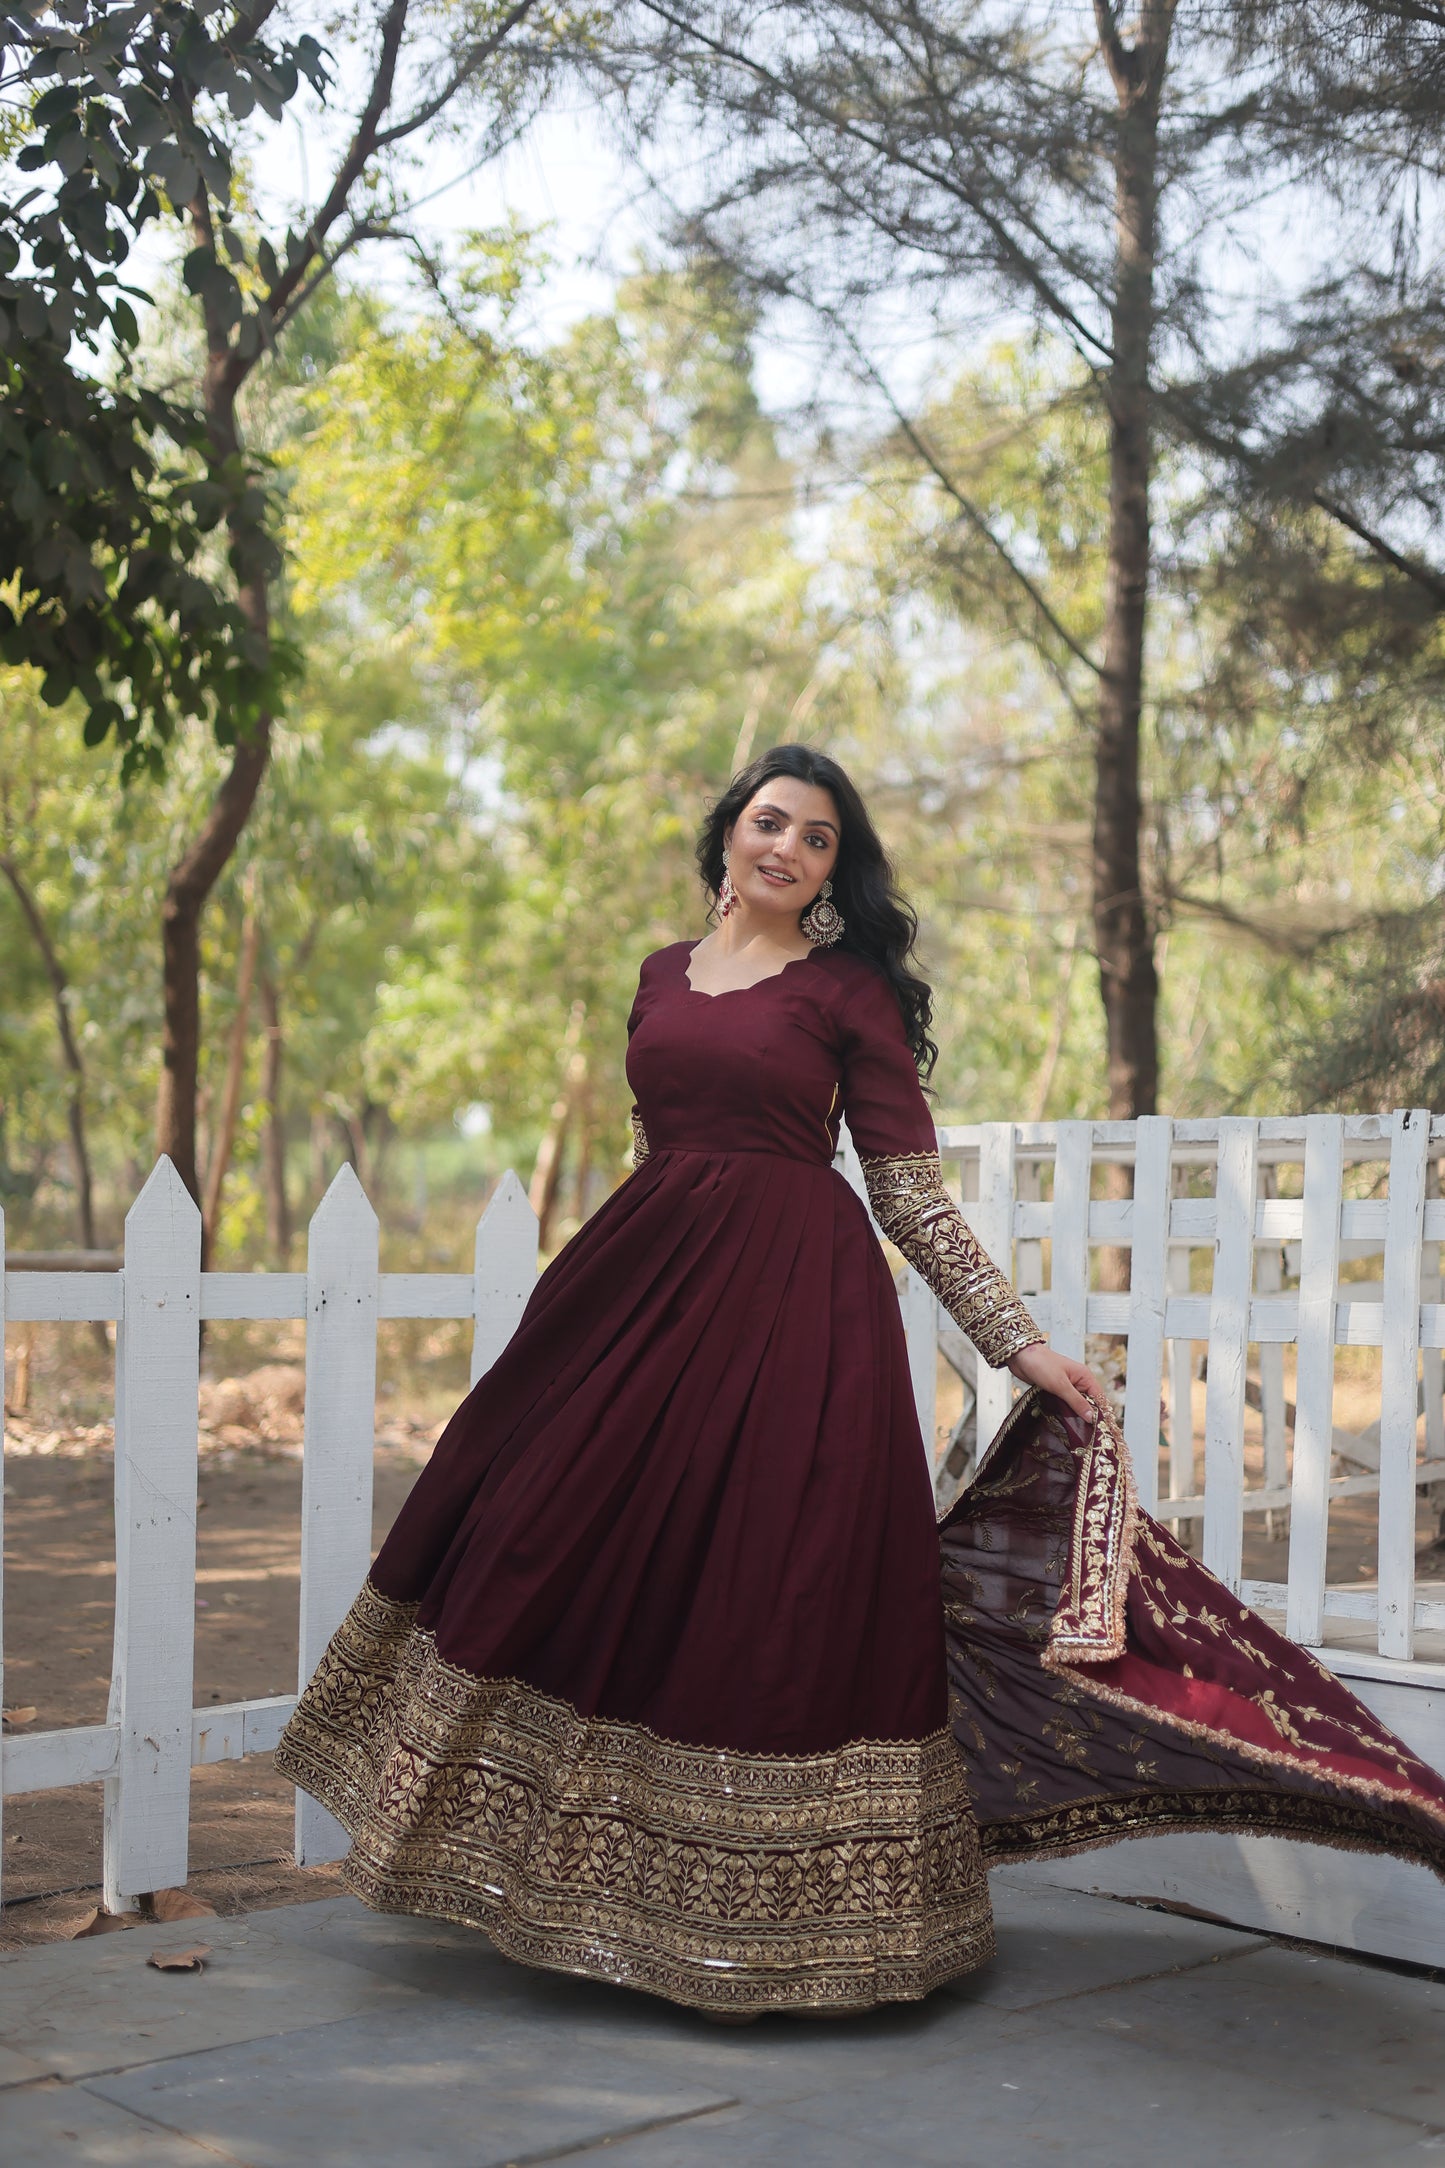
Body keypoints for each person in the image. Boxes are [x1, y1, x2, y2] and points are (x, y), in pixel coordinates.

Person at [278, 744, 1445, 2020]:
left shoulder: (844, 994)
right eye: (768, 821)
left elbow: (903, 1190)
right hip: (638, 1287)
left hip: (791, 1310)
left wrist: (1019, 1344)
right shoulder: (658, 976)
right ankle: (555, 1880)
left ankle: (779, 1925)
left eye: (816, 836)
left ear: (834, 869)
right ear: (727, 834)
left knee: (770, 1574)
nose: (784, 846)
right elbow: (647, 1140)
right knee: (539, 1523)